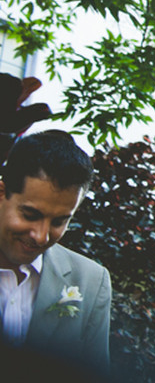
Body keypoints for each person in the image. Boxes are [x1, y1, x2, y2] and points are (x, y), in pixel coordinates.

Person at [0, 129, 111, 372]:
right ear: (1, 194)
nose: (41, 236)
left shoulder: (91, 281)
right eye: (30, 215)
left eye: (59, 221)